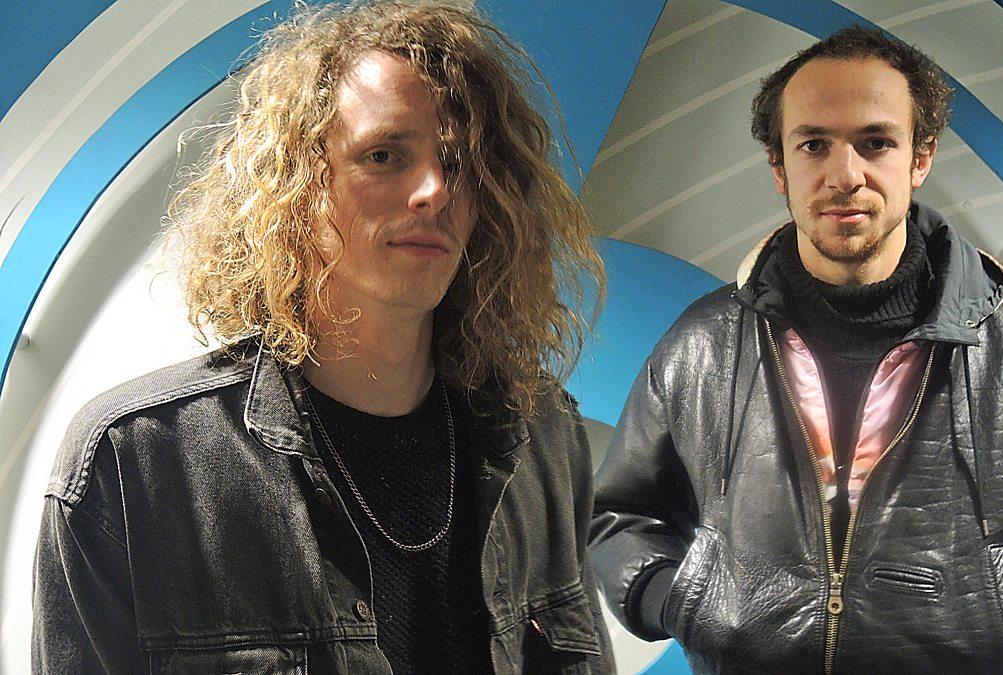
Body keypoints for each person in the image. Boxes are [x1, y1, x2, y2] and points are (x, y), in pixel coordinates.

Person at [32, 2, 614, 673]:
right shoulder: (135, 463)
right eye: (384, 156)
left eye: (458, 163)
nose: (434, 190)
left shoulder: (540, 435)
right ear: (298, 186)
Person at [589, 25, 1003, 675]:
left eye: (875, 142)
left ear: (920, 158)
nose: (845, 175)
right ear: (780, 167)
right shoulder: (702, 345)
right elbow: (620, 515)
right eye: (814, 144)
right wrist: (682, 604)